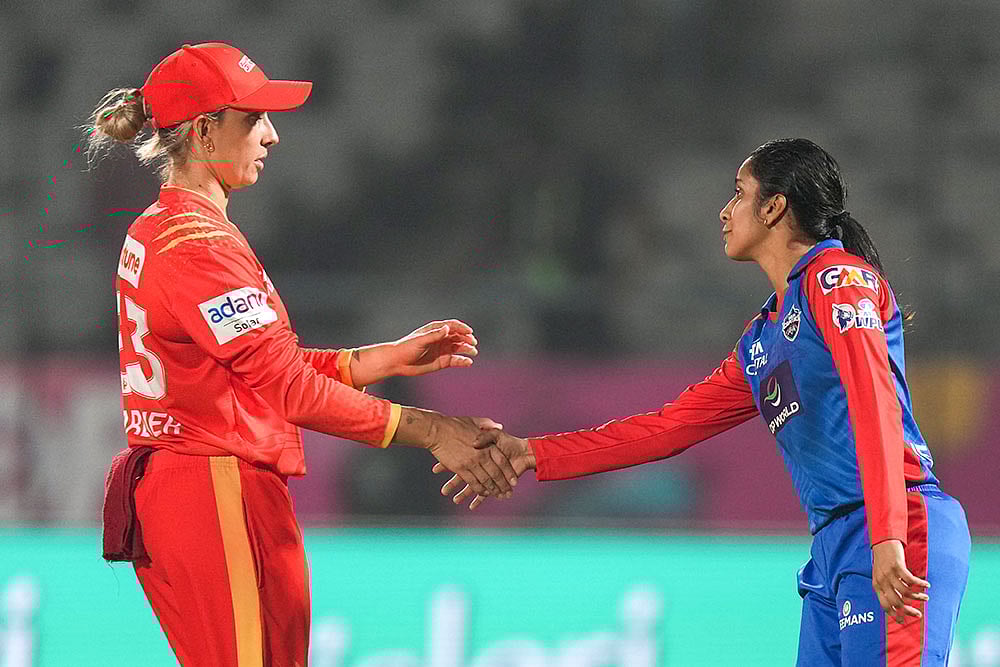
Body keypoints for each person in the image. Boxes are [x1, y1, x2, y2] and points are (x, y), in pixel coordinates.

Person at [442, 139, 971, 665]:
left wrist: (887, 537)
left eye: (738, 194)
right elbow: (667, 428)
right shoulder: (761, 341)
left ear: (774, 206)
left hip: (900, 528)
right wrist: (532, 453)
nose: (724, 211)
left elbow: (873, 402)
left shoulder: (837, 281)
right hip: (835, 548)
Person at [89, 42, 516, 667]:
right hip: (216, 489)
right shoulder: (201, 247)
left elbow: (252, 370)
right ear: (206, 131)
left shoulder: (161, 228)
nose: (271, 136)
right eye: (253, 119)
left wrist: (379, 362)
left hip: (191, 486)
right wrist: (432, 431)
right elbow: (285, 389)